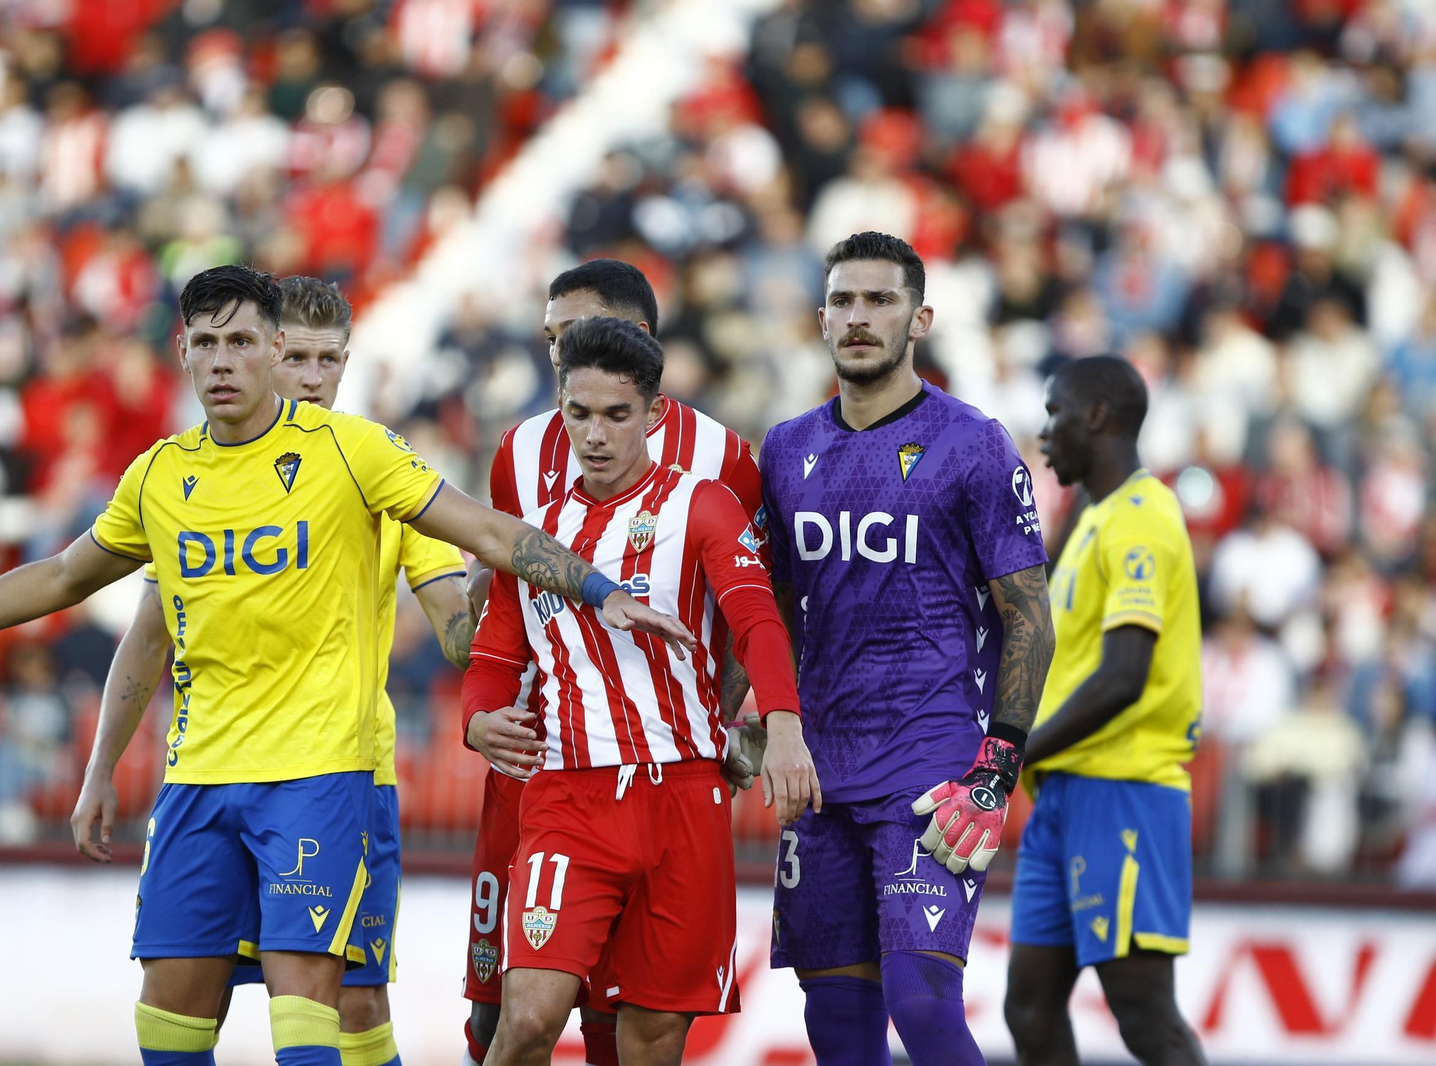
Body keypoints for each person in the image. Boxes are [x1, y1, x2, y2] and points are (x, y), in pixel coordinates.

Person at [0, 265, 694, 1066]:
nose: (222, 361)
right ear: (181, 353)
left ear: (271, 351)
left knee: (322, 1010)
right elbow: (68, 579)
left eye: (241, 342)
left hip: (324, 775)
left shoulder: (356, 453)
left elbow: (487, 535)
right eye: (204, 343)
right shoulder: (161, 476)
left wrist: (591, 587)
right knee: (167, 1017)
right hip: (198, 778)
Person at [69, 275, 469, 1066]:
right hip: (215, 773)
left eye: (333, 362)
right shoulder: (192, 480)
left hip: (344, 770)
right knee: (189, 993)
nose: (316, 379)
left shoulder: (375, 468)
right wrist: (100, 766)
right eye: (302, 359)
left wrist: (498, 592)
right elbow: (147, 638)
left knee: (353, 1000)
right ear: (270, 354)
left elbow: (455, 628)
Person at [461, 316, 820, 1066]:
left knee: (650, 1041)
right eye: (579, 413)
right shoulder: (536, 532)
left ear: (654, 414)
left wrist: (783, 726)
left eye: (617, 415)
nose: (595, 434)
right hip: (566, 800)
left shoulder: (703, 505)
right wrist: (477, 719)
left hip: (683, 797)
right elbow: (496, 653)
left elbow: (756, 620)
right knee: (525, 1020)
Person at [758, 231, 1054, 1066]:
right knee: (838, 1031)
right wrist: (757, 705)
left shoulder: (973, 442)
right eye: (844, 300)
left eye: (881, 300)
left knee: (922, 1006)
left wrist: (997, 769)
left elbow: (1030, 615)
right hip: (820, 774)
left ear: (920, 317)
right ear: (820, 317)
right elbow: (770, 601)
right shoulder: (784, 449)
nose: (860, 317)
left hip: (932, 772)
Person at [1004, 355, 1207, 1066]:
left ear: (1097, 416)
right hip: (1065, 793)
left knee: (1145, 1016)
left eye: (1056, 412)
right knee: (1028, 1009)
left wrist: (1013, 754)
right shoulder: (1096, 514)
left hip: (1124, 789)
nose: (1044, 430)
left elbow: (1124, 676)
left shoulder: (1142, 518)